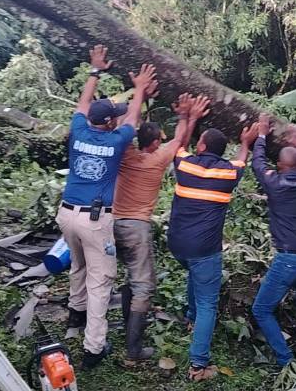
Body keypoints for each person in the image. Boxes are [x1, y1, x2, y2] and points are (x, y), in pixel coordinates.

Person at [57, 44, 157, 369]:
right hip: (94, 220)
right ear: (111, 123)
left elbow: (83, 103)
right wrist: (141, 89)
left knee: (78, 265)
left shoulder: (78, 130)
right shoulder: (116, 142)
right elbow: (134, 117)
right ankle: (93, 348)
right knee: (101, 281)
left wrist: (94, 70)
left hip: (67, 214)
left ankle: (75, 315)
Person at [112, 93, 211, 365]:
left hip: (111, 224)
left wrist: (140, 94)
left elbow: (126, 125)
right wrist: (187, 116)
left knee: (130, 277)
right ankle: (133, 352)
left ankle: (125, 326)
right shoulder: (158, 160)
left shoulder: (125, 154)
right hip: (135, 227)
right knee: (144, 286)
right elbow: (180, 139)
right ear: (156, 143)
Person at [167, 122, 260, 381]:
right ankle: (198, 365)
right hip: (204, 250)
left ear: (203, 146)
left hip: (176, 245)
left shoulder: (186, 165)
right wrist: (245, 143)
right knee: (209, 302)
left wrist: (190, 117)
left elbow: (179, 145)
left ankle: (191, 318)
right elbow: (242, 160)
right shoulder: (229, 174)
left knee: (194, 275)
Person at [250, 113, 296, 368]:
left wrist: (260, 135)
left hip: (289, 258)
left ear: (280, 166)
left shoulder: (275, 183)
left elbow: (258, 163)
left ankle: (285, 359)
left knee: (260, 310)